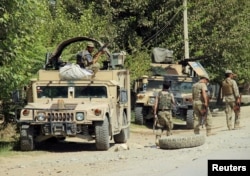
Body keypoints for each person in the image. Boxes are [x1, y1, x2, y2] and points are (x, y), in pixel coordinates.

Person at [154, 81, 175, 146]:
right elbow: (173, 103)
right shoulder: (170, 94)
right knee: (169, 126)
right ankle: (168, 140)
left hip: (160, 112)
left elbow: (156, 104)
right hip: (168, 112)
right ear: (169, 87)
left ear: (163, 86)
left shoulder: (159, 94)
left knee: (160, 126)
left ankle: (157, 139)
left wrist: (155, 113)